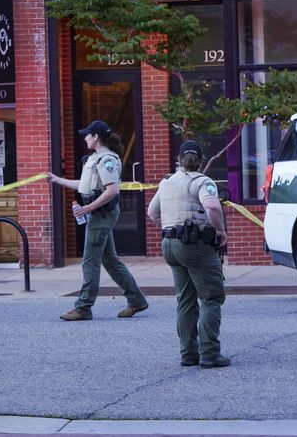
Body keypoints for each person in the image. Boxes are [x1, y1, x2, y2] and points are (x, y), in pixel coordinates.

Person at [47, 119, 148, 321]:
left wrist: (88, 208)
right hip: (96, 213)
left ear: (96, 137)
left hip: (101, 214)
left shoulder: (107, 160)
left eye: (88, 135)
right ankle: (136, 300)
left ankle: (84, 307)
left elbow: (112, 191)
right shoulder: (95, 158)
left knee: (90, 261)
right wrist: (57, 180)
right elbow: (84, 185)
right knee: (110, 260)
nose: (85, 138)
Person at [147, 140, 230, 368]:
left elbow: (152, 213)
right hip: (196, 246)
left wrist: (170, 227)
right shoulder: (202, 181)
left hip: (170, 245)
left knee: (185, 300)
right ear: (201, 161)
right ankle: (210, 353)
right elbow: (212, 207)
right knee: (211, 298)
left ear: (178, 160)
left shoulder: (166, 182)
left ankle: (188, 354)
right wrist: (221, 231)